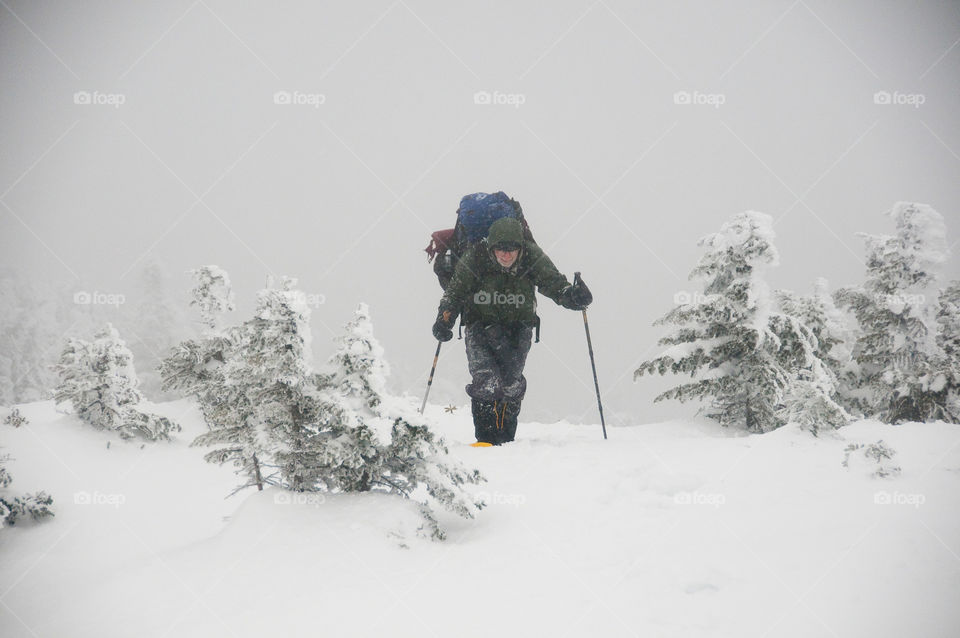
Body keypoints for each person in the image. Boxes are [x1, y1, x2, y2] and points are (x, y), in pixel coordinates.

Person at [431, 217, 592, 446]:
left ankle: (506, 441)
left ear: (520, 248)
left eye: (511, 250)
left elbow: (553, 283)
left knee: (511, 384)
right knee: (486, 382)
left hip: (519, 327)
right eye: (500, 250)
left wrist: (572, 296)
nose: (506, 256)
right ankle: (485, 441)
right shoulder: (476, 257)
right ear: (491, 248)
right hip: (479, 325)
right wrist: (444, 319)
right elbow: (455, 293)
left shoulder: (531, 255)